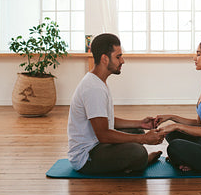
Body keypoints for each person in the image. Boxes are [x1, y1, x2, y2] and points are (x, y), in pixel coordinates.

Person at [67, 33, 164, 174]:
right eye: (118, 57)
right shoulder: (93, 88)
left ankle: (131, 164)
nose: (122, 61)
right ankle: (140, 161)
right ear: (105, 59)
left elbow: (105, 120)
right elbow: (104, 135)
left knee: (136, 131)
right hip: (87, 157)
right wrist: (144, 139)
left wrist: (140, 124)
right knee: (138, 152)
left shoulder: (97, 81)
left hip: (98, 145)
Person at [155, 35, 201, 172]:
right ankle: (185, 162)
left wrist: (175, 126)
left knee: (174, 146)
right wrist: (171, 117)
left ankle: (186, 161)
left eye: (199, 54)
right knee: (172, 134)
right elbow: (199, 124)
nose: (195, 58)